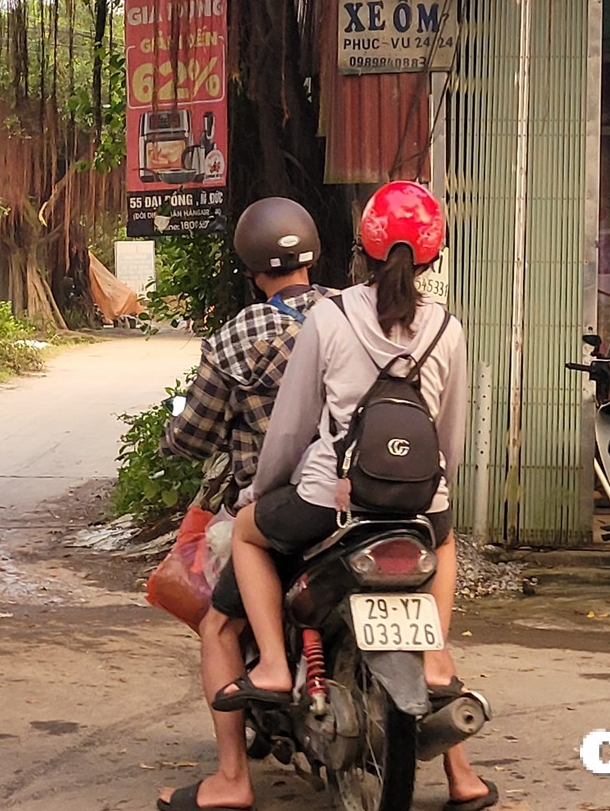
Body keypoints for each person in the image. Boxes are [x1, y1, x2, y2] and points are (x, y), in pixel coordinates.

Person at [204, 181, 496, 811]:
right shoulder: (448, 327)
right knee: (441, 546)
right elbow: (449, 435)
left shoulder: (330, 318)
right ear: (434, 258)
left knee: (252, 534)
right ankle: (436, 660)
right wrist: (430, 494)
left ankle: (275, 669)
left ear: (358, 251)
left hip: (331, 499)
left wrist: (261, 490)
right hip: (418, 501)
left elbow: (290, 426)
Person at [157, 197, 334, 811]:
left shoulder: (237, 338)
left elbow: (195, 432)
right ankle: (459, 768)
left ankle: (231, 777)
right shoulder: (351, 314)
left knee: (217, 624)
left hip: (283, 504)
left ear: (254, 268)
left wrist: (173, 437)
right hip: (365, 498)